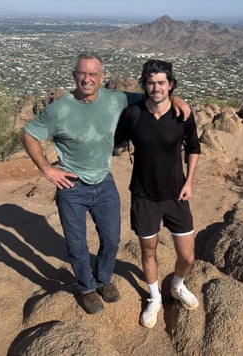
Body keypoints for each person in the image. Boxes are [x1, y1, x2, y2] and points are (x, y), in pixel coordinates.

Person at [22, 52, 190, 315]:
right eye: (82, 73)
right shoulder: (60, 109)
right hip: (72, 186)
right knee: (77, 244)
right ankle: (86, 287)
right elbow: (29, 134)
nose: (87, 79)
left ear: (102, 78)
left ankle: (102, 280)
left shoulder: (116, 99)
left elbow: (155, 97)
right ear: (74, 75)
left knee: (111, 240)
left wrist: (176, 97)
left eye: (93, 74)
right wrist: (46, 169)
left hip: (104, 183)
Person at [115, 59, 201, 328]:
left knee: (187, 256)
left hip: (176, 194)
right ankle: (154, 297)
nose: (156, 87)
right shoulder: (133, 114)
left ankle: (177, 285)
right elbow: (112, 141)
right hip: (143, 195)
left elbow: (194, 148)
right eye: (151, 82)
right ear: (145, 85)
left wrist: (189, 182)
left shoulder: (182, 115)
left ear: (170, 85)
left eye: (162, 82)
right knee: (148, 250)